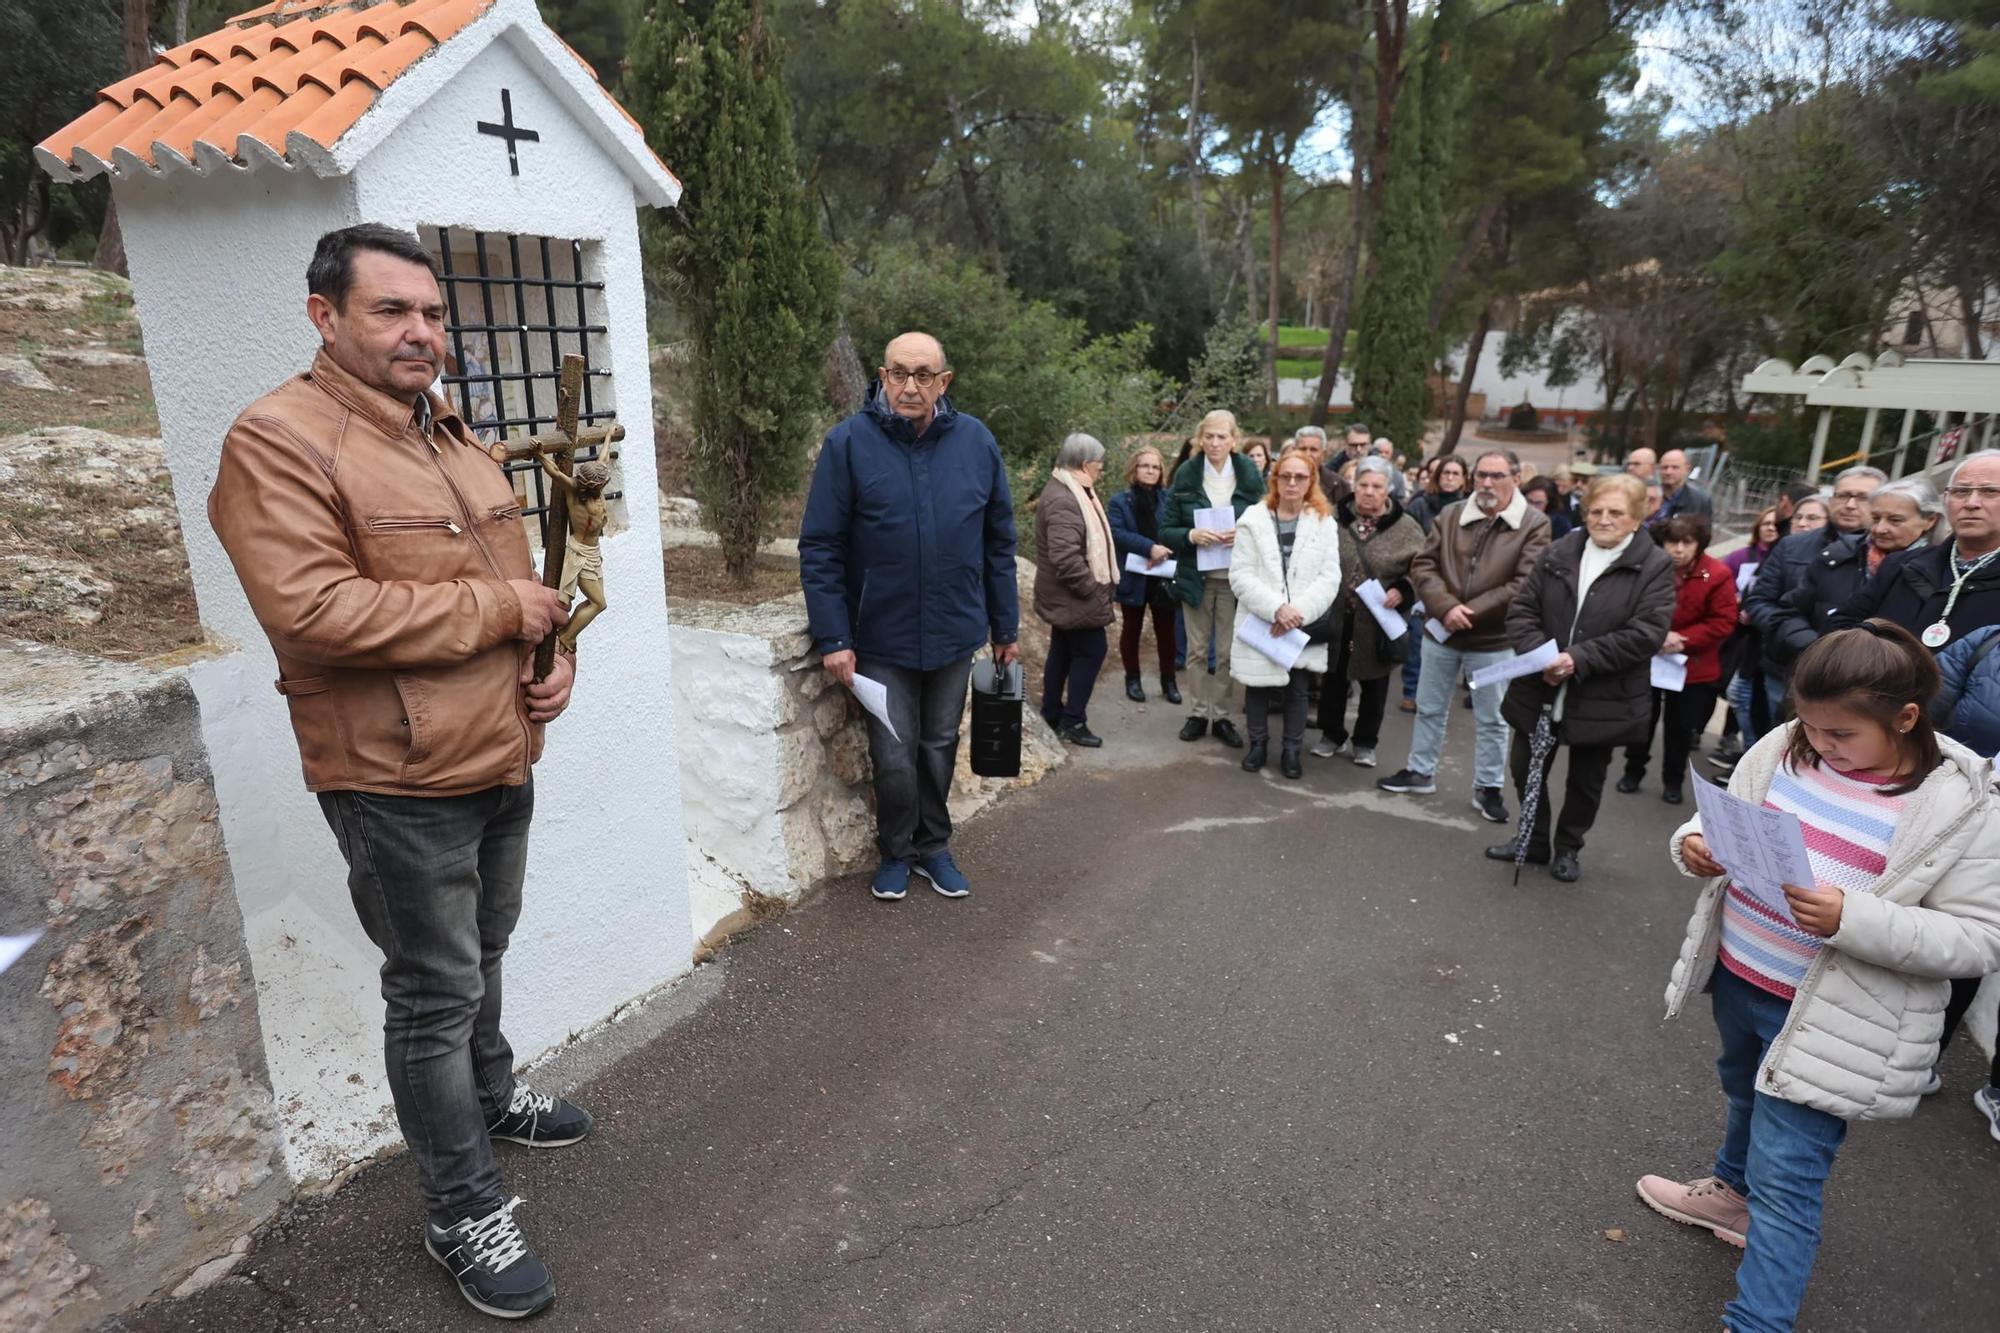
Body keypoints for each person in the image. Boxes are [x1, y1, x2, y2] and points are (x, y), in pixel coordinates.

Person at [208, 224, 582, 1319]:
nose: (421, 331)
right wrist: (501, 612)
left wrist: (546, 668)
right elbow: (312, 612)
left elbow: (518, 587)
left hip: (498, 748)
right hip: (393, 775)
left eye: (430, 312)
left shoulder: (450, 433)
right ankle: (460, 1204)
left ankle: (494, 1094)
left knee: (484, 950)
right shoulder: (278, 440)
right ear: (325, 316)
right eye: (391, 311)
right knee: (432, 991)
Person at [1639, 622, 2000, 1333]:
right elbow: (1711, 821)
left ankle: (1758, 1320)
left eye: (1841, 734)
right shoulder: (1784, 746)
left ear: (1905, 718)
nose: (1820, 744)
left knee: (1790, 1180)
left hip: (1836, 1014)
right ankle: (1728, 1193)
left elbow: (1980, 940)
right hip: (1742, 976)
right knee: (1741, 1090)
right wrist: (1695, 845)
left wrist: (1849, 917)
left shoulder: (1962, 803)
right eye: (1809, 723)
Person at [800, 331, 1019, 903]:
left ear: (944, 382)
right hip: (880, 637)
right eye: (899, 373)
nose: (910, 386)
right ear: (881, 374)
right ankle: (897, 851)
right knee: (894, 754)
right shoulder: (848, 444)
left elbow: (999, 543)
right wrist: (834, 636)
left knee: (939, 744)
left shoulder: (976, 442)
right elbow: (820, 546)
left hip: (955, 631)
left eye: (923, 375)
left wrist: (1006, 629)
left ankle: (935, 847)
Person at [1486, 473, 1673, 881]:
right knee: (1523, 765)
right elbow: (1522, 610)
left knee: (1586, 779)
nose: (1604, 519)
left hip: (1602, 694)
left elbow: (1646, 633)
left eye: (1616, 513)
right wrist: (1544, 656)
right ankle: (1533, 839)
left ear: (1637, 517)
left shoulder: (1654, 566)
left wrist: (1577, 659)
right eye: (1596, 511)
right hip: (1540, 684)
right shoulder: (1559, 550)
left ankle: (1568, 847)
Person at [1378, 448, 1553, 824]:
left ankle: (1488, 787)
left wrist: (1468, 611)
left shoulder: (1534, 524)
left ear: (1516, 479)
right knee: (1428, 707)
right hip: (1441, 633)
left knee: (1493, 718)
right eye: (1481, 476)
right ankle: (1420, 771)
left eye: (1496, 476)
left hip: (1493, 641)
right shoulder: (1452, 513)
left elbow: (1524, 583)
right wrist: (1445, 607)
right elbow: (1424, 564)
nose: (1487, 483)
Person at [1228, 451, 1342, 778]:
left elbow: (1329, 576)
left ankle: (1292, 750)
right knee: (1258, 685)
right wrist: (1276, 609)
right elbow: (1241, 574)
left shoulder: (1324, 523)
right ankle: (1258, 744)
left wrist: (1298, 613)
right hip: (1263, 617)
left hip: (1301, 622)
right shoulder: (1253, 519)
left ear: (1311, 482)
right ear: (1275, 479)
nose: (1292, 482)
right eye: (1285, 476)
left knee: (1299, 688)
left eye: (1300, 477)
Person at [1745, 466, 1886, 722]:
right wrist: (1809, 643)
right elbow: (1759, 600)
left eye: (1862, 497)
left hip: (1860, 680)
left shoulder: (1890, 556)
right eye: (1843, 495)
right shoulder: (1792, 545)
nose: (1850, 504)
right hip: (1786, 666)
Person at [1161, 408, 1266, 747]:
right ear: (1199, 438)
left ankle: (1220, 716)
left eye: (1222, 436)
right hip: (1196, 576)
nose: (1215, 442)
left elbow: (1266, 524)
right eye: (1209, 436)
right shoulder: (1187, 475)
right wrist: (1191, 535)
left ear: (1234, 439)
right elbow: (1165, 529)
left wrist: (1245, 533)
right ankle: (1196, 713)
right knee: (1195, 650)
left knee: (1225, 653)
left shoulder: (1249, 474)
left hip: (1236, 577)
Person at [1618, 515, 1738, 804]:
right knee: (1640, 722)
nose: (1679, 549)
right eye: (1673, 542)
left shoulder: (1717, 573)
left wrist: (1681, 639)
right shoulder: (1649, 567)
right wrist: (1654, 634)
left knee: (1680, 729)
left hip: (1691, 666)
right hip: (1649, 658)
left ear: (1699, 544)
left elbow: (1723, 620)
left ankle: (1673, 780)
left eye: (1687, 542)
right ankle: (1632, 771)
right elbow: (1628, 607)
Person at [1314, 457, 1423, 766]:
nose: (1369, 492)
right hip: (1337, 614)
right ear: (1354, 486)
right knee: (1334, 677)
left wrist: (1402, 590)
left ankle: (1365, 742)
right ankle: (1331, 734)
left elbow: (1422, 568)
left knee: (1375, 683)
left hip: (1379, 620)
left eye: (1377, 486)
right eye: (1363, 485)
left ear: (1388, 489)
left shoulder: (1406, 527)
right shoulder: (1332, 518)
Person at [1768, 478, 1939, 672]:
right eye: (1875, 518)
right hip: (1816, 673)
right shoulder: (1836, 555)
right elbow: (1788, 613)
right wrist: (1819, 649)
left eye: (1895, 520)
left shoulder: (1940, 574)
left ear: (1930, 520)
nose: (1880, 528)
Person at [1832, 452, 2000, 647]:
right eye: (1960, 492)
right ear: (1945, 499)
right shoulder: (1901, 565)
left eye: (1990, 492)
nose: (1971, 503)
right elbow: (1841, 627)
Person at [1033, 434, 1117, 747]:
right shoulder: (1064, 499)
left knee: (1063, 651)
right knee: (1092, 651)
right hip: (1074, 597)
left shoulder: (1069, 488)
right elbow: (1065, 558)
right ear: (1084, 464)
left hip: (1067, 597)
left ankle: (1052, 713)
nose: (1101, 471)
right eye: (1099, 465)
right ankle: (1072, 721)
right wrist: (1092, 591)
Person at [1107, 447, 1181, 706]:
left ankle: (1169, 681)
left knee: (1166, 631)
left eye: (1155, 467)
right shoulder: (1120, 501)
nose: (1150, 470)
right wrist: (1149, 547)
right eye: (1145, 466)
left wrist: (1164, 549)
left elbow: (1176, 528)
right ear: (1134, 469)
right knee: (1131, 628)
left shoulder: (1170, 499)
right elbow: (1117, 532)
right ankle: (1133, 679)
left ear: (1161, 472)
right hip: (1134, 574)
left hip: (1163, 574)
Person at [1715, 507, 1782, 766]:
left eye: (1775, 525)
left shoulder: (1783, 556)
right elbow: (1722, 582)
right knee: (1733, 689)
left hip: (1760, 635)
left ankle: (1746, 753)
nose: (1769, 528)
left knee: (1746, 696)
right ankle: (1744, 753)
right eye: (1765, 523)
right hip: (1735, 631)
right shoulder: (1741, 555)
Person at [1650, 448, 1713, 528]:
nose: (1669, 472)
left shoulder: (1700, 501)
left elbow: (1703, 534)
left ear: (1687, 469)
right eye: (1664, 467)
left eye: (1675, 467)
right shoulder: (1649, 495)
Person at [1407, 454, 1468, 533]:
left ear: (1463, 479)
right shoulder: (1419, 506)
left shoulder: (1468, 509)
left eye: (1455, 474)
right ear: (1438, 476)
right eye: (1446, 473)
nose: (1450, 478)